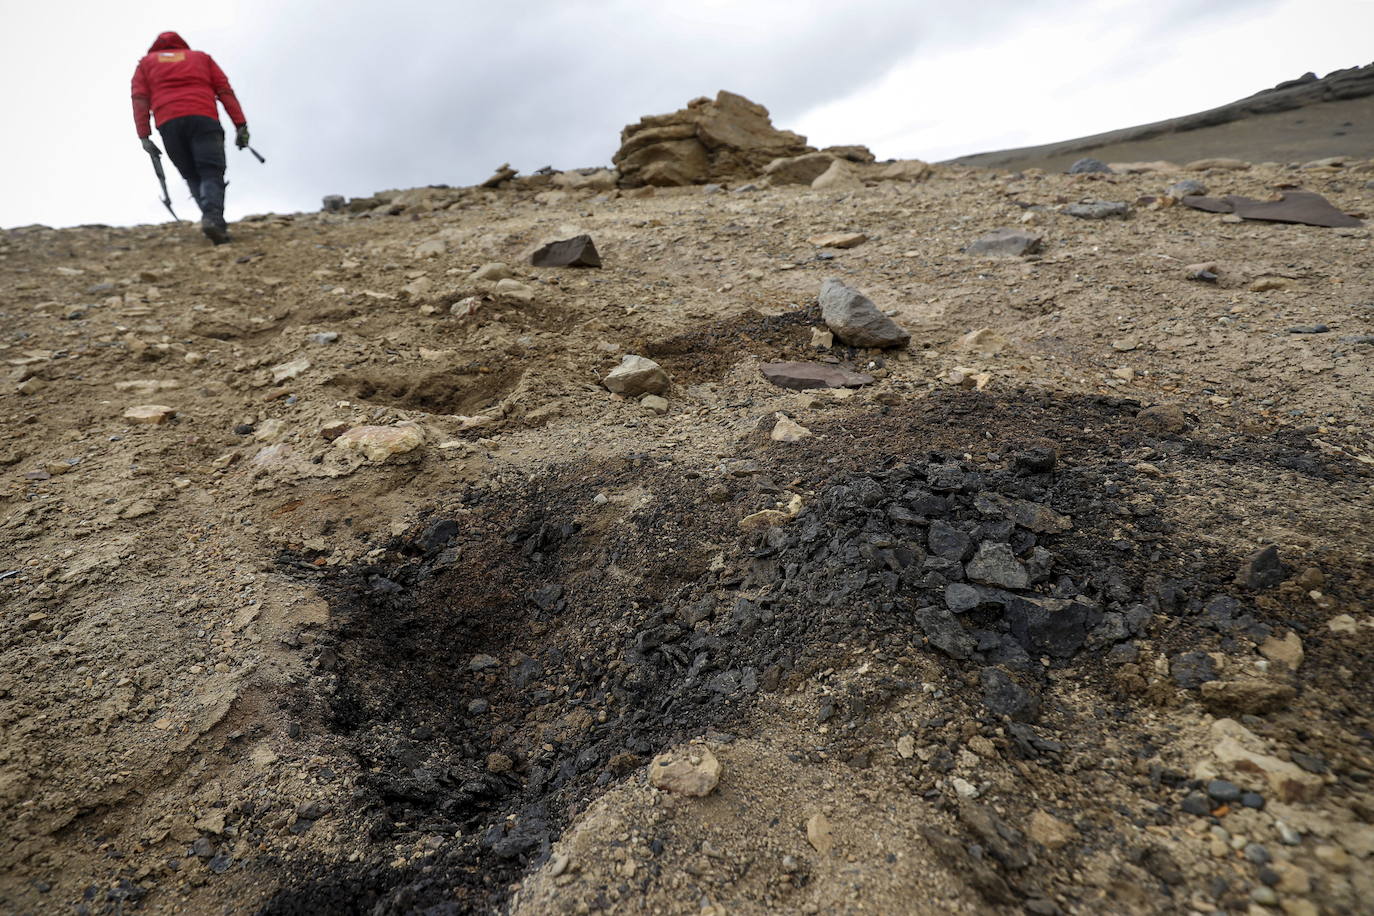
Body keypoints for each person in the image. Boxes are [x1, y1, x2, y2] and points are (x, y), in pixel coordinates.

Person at [131, 32, 249, 244]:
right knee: (211, 171)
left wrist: (144, 135)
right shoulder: (201, 58)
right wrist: (240, 125)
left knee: (191, 174)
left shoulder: (146, 64)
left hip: (169, 124)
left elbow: (139, 98)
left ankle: (211, 219)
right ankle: (213, 219)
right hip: (204, 119)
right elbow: (224, 90)